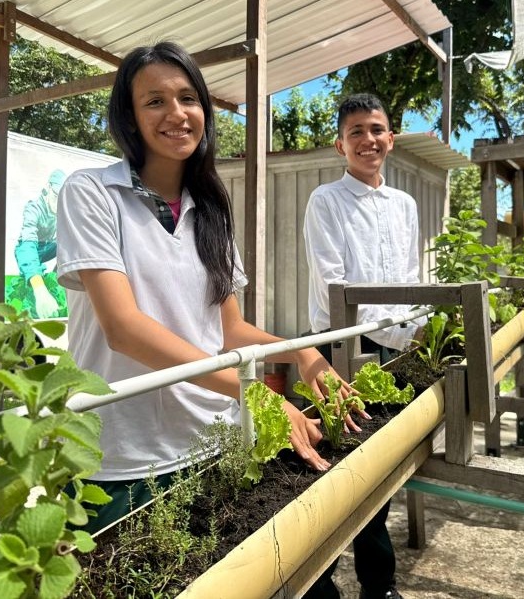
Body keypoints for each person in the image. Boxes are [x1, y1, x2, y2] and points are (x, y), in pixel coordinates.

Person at [56, 41, 352, 535]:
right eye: (154, 101)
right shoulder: (92, 193)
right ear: (129, 117)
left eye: (188, 98)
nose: (177, 113)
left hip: (212, 442)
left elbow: (228, 330)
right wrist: (253, 393)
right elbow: (123, 329)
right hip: (122, 457)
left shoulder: (210, 208)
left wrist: (301, 354)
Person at [303, 93, 425, 599]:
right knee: (339, 467)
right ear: (340, 144)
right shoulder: (325, 201)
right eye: (356, 131)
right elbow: (336, 289)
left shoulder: (406, 204)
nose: (367, 140)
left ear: (390, 139)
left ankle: (380, 584)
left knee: (382, 470)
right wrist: (397, 329)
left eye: (376, 129)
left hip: (397, 350)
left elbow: (412, 279)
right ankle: (323, 584)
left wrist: (414, 331)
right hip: (342, 350)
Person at [12, 169, 67, 318]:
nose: (58, 203)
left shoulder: (62, 210)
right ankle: (38, 287)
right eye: (56, 196)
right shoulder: (34, 207)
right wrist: (40, 289)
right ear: (49, 188)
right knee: (26, 246)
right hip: (29, 247)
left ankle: (57, 281)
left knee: (68, 242)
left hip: (47, 247)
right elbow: (28, 239)